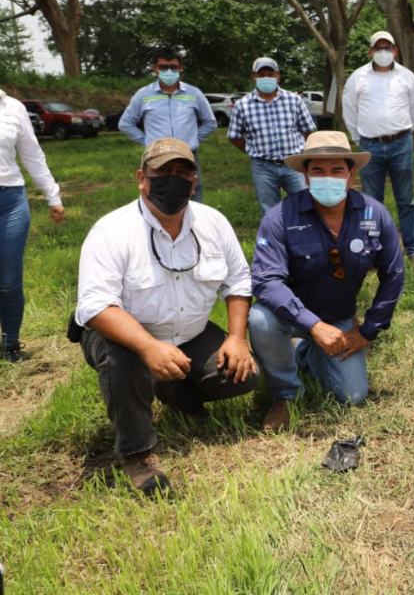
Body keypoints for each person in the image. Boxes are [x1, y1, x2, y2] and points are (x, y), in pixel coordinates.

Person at [75, 138, 259, 494]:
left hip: (189, 332)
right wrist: (149, 347)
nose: (173, 179)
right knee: (122, 359)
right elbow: (96, 306)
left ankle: (171, 389)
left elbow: (238, 281)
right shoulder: (111, 231)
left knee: (244, 377)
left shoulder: (213, 222)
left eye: (183, 172)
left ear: (194, 181)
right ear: (142, 178)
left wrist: (237, 338)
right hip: (125, 333)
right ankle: (138, 453)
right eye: (163, 172)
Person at [249, 131, 405, 431]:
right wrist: (313, 326)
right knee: (259, 319)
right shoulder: (280, 217)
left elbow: (394, 275)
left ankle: (304, 351)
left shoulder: (375, 214)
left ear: (351, 174)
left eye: (337, 170)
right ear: (305, 175)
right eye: (318, 170)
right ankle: (285, 394)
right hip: (289, 316)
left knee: (352, 396)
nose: (327, 177)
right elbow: (266, 281)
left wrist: (369, 330)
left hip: (338, 319)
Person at [342, 31, 414, 263]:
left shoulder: (407, 77)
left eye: (387, 48)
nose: (383, 52)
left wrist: (402, 132)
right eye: (378, 48)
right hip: (370, 146)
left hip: (402, 144)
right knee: (370, 202)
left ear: (395, 50)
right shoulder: (357, 77)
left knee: (406, 200)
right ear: (370, 52)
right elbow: (349, 111)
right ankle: (372, 249)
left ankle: (413, 249)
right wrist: (360, 138)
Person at [0, 89, 64, 362]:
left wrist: (53, 194)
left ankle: (10, 344)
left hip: (10, 202)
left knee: (8, 280)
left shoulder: (12, 107)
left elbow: (32, 155)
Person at [120, 49, 217, 202]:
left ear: (180, 68)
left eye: (173, 67)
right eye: (164, 67)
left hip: (188, 155)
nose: (169, 71)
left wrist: (194, 139)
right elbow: (125, 123)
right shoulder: (144, 95)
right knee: (156, 193)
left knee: (192, 191)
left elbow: (210, 122)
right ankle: (157, 225)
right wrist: (147, 142)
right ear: (155, 69)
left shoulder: (194, 93)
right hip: (157, 157)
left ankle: (194, 226)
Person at [227, 56, 317, 215]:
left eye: (270, 73)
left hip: (293, 163)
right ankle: (275, 238)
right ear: (254, 77)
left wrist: (300, 150)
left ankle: (305, 236)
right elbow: (234, 136)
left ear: (278, 76)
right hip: (263, 166)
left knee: (306, 203)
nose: (266, 78)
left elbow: (308, 129)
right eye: (261, 74)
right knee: (270, 210)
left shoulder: (294, 100)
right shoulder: (243, 105)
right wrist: (252, 150)